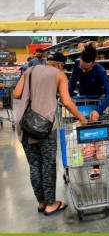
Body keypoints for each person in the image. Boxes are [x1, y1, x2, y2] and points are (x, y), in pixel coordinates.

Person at [13, 52, 88, 216]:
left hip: (24, 124)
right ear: (61, 64)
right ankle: (51, 204)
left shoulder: (29, 71)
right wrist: (82, 118)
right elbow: (66, 101)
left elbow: (16, 94)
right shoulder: (60, 75)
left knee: (34, 165)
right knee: (48, 165)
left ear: (48, 61)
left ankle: (41, 202)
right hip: (44, 127)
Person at [68, 42, 109, 180]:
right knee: (79, 134)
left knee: (96, 136)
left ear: (94, 63)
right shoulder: (77, 64)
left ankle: (96, 167)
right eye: (82, 66)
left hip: (95, 104)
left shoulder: (100, 70)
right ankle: (80, 157)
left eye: (87, 69)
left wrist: (99, 109)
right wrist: (68, 97)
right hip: (82, 103)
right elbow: (72, 82)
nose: (83, 70)